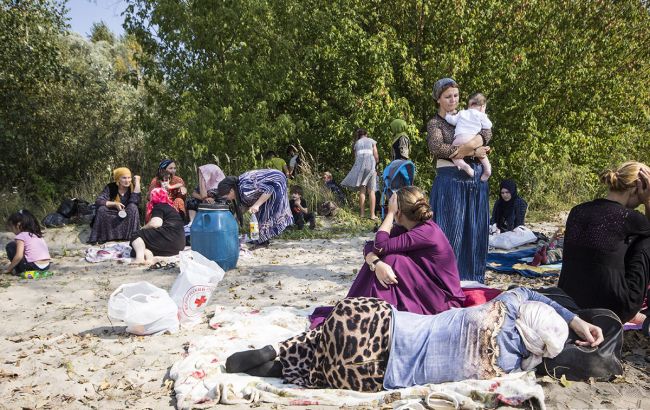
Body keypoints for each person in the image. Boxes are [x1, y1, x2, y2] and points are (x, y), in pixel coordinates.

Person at [225, 288, 604, 392]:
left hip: (374, 323)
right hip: (371, 374)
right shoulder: (506, 368)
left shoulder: (506, 305)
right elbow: (542, 357)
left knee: (323, 335)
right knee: (322, 369)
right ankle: (276, 368)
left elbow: (535, 295)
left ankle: (278, 349)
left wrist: (575, 320)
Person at [309, 186, 465, 328]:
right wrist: (375, 262)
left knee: (393, 260)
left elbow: (380, 245)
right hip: (429, 290)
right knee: (386, 261)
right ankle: (365, 311)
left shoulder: (426, 232)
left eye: (391, 207)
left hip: (444, 300)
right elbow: (371, 245)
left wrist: (389, 214)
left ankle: (370, 314)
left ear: (399, 212)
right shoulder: (409, 227)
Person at [559, 162, 650, 328]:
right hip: (614, 309)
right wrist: (648, 201)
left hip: (568, 300)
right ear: (637, 189)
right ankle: (633, 306)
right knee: (646, 240)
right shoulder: (630, 218)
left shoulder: (577, 210)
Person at [427, 77, 492, 282]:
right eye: (447, 97)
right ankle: (446, 282)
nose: (453, 100)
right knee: (449, 233)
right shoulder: (435, 123)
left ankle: (473, 281)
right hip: (450, 181)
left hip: (475, 180)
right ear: (438, 99)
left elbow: (487, 133)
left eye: (455, 96)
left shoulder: (468, 115)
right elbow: (437, 148)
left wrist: (474, 146)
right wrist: (472, 149)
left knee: (475, 231)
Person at [216, 169, 293, 246]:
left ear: (231, 191)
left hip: (276, 180)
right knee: (258, 211)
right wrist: (234, 219)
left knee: (265, 210)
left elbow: (269, 189)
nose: (227, 199)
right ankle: (261, 239)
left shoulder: (245, 188)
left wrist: (256, 205)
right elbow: (245, 205)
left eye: (226, 197)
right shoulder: (239, 188)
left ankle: (263, 240)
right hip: (271, 182)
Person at [130, 187, 186, 264]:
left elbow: (155, 223)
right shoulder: (171, 208)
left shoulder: (159, 206)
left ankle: (139, 259)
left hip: (169, 239)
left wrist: (143, 228)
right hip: (178, 246)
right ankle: (149, 257)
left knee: (136, 235)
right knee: (135, 249)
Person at [445, 92, 493, 181]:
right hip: (472, 138)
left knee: (454, 155)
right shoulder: (481, 115)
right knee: (482, 154)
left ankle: (465, 166)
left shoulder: (462, 112)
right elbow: (488, 125)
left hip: (459, 139)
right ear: (482, 106)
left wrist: (447, 116)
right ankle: (487, 170)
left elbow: (453, 121)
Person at [88, 168, 141, 244]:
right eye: (124, 178)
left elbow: (135, 201)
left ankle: (129, 236)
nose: (127, 180)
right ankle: (104, 236)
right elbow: (99, 201)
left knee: (133, 208)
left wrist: (138, 182)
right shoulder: (110, 187)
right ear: (118, 179)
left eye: (129, 178)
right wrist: (115, 204)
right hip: (113, 213)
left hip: (126, 214)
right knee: (101, 209)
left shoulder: (133, 187)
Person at [341, 128, 379, 220]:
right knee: (371, 191)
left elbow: (356, 159)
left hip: (361, 168)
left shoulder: (356, 144)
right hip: (371, 167)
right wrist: (376, 165)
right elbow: (376, 156)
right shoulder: (371, 141)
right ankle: (372, 215)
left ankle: (362, 214)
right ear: (366, 134)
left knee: (362, 190)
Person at [3, 210, 51, 274]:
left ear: (18, 225)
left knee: (10, 246)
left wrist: (9, 269)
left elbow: (19, 256)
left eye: (11, 227)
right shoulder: (36, 234)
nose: (11, 230)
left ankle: (18, 270)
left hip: (33, 267)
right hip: (46, 266)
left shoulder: (21, 236)